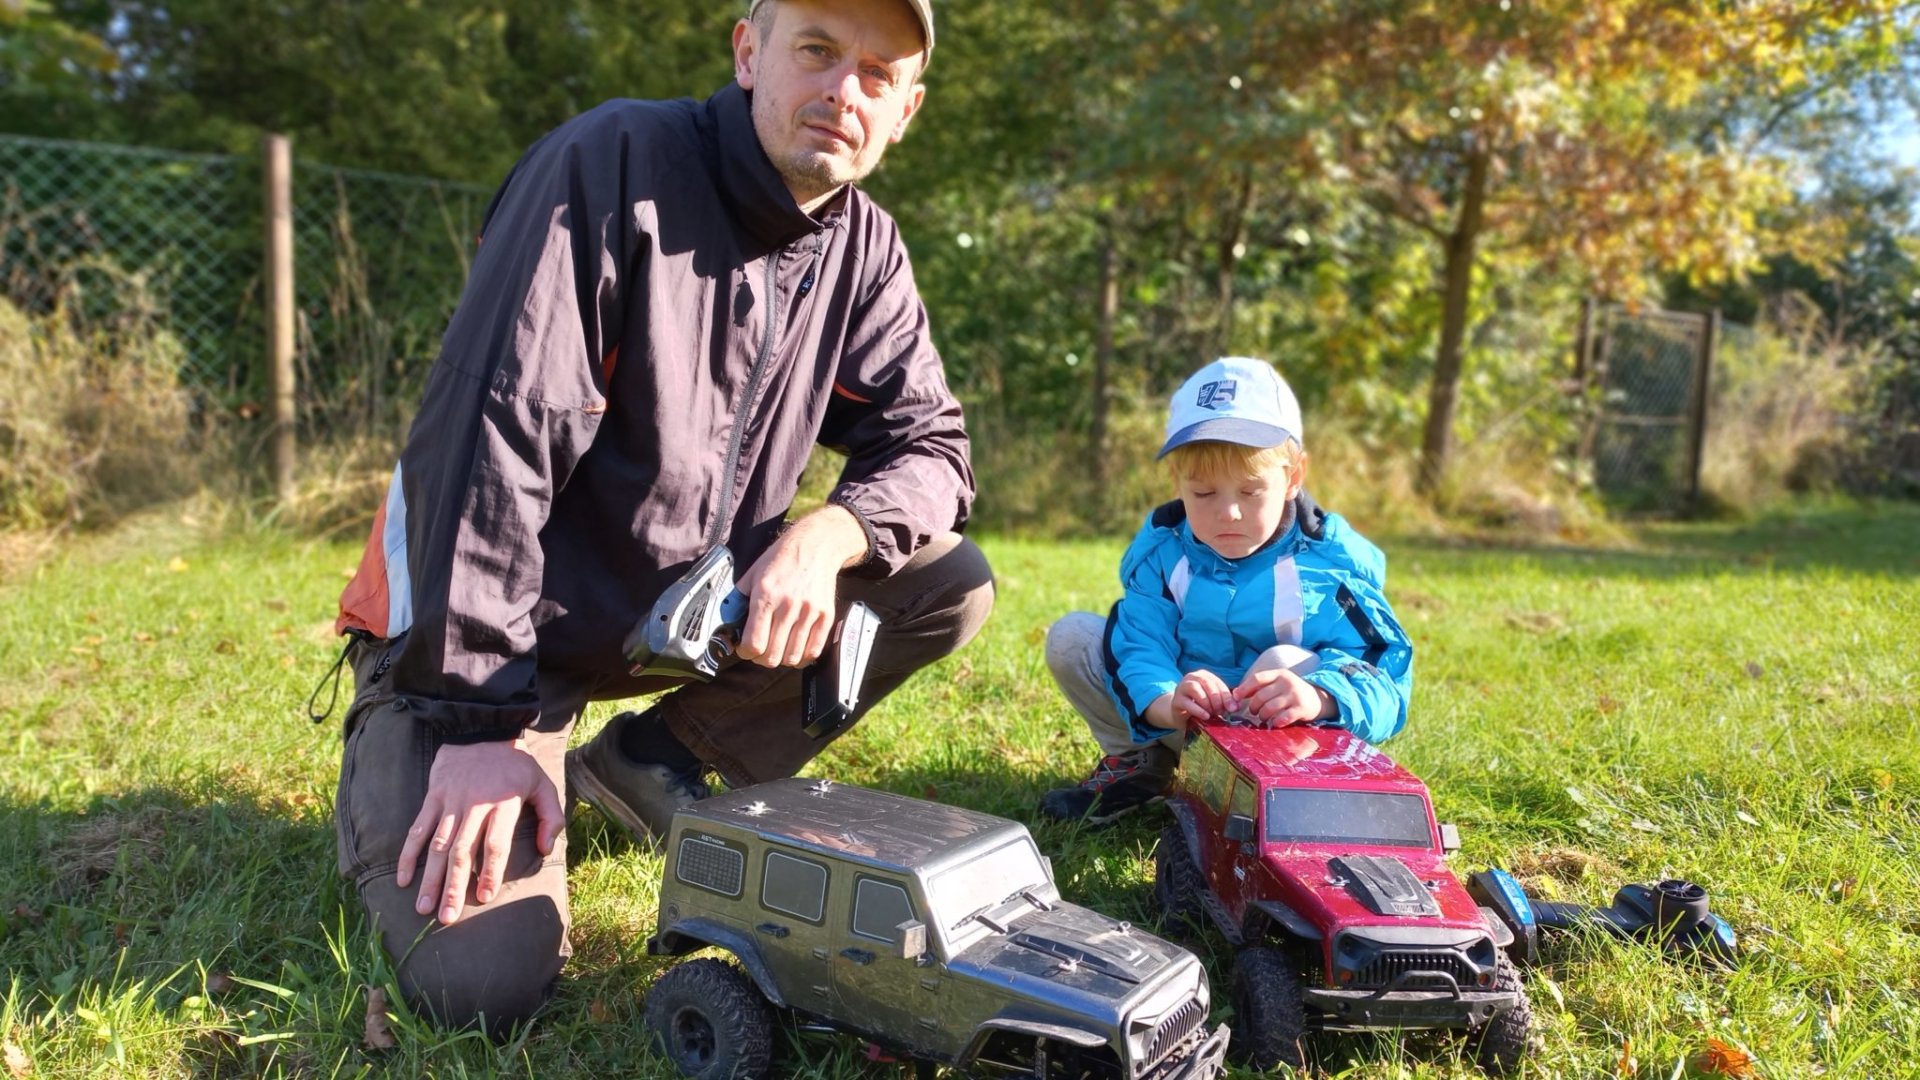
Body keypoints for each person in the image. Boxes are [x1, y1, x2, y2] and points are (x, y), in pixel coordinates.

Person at [324, 0, 993, 1032]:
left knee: (944, 581)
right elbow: (487, 447)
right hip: (497, 648)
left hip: (675, 623)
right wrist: (479, 725)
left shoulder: (864, 251)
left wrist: (829, 534)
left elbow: (933, 449)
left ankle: (650, 765)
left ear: (906, 110)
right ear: (747, 51)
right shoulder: (610, 165)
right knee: (483, 984)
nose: (841, 91)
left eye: (876, 73)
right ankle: (423, 742)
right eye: (816, 51)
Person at [1037, 356, 1411, 824]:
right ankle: (1141, 765)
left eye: (1250, 492)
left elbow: (1384, 671)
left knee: (1281, 663)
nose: (1228, 513)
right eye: (1204, 493)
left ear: (1293, 478)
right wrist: (1169, 703)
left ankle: (1271, 793)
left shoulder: (1329, 566)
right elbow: (1140, 645)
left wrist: (1319, 696)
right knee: (1074, 637)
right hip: (1190, 718)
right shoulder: (1163, 554)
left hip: (1287, 735)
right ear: (1177, 484)